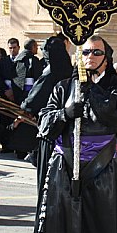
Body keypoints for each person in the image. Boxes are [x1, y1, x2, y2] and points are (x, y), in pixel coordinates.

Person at [28, 35, 117, 233]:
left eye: (96, 53)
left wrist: (91, 91)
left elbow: (115, 113)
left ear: (106, 58)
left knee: (99, 229)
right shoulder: (64, 87)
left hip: (101, 169)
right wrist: (64, 114)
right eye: (85, 52)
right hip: (65, 167)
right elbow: (44, 124)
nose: (90, 57)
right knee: (60, 228)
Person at [20, 35, 73, 190]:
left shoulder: (50, 72)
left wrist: (25, 107)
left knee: (47, 182)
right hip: (66, 132)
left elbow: (32, 101)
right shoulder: (69, 70)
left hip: (50, 131)